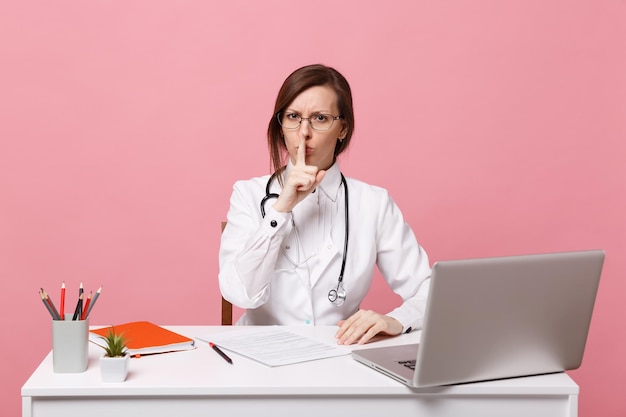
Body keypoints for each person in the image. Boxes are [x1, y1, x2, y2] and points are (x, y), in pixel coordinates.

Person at [219, 64, 431, 345]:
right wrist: (280, 209)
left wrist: (397, 320)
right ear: (281, 125)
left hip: (340, 356)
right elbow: (239, 293)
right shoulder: (248, 194)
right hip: (260, 357)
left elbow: (429, 290)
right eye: (293, 117)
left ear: (342, 128)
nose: (304, 132)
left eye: (319, 118)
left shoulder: (373, 203)